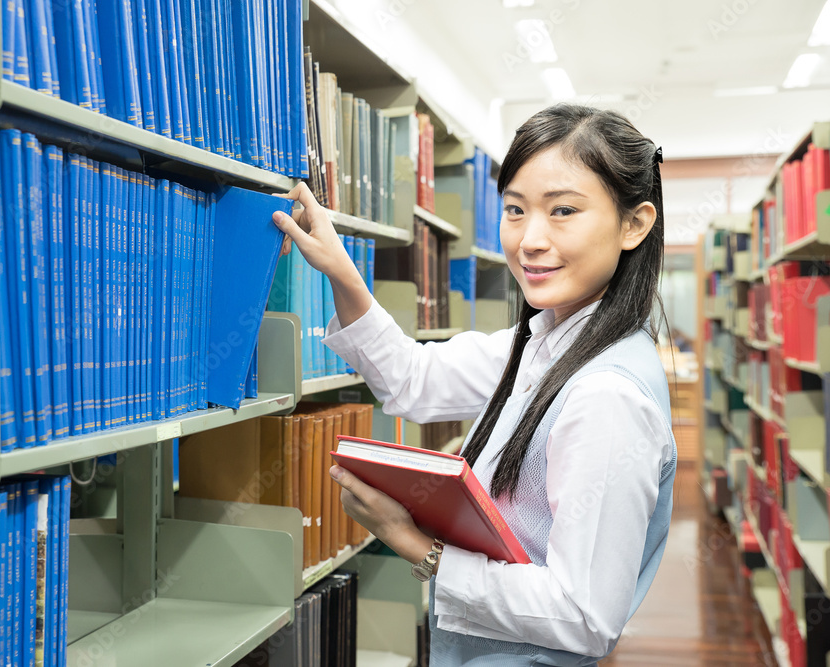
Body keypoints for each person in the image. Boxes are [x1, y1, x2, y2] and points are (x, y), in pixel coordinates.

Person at [272, 103, 677, 666]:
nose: (530, 239)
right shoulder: (544, 340)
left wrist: (415, 544)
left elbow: (585, 618)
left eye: (563, 211)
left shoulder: (606, 396)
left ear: (634, 224)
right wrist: (342, 267)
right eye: (515, 210)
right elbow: (413, 381)